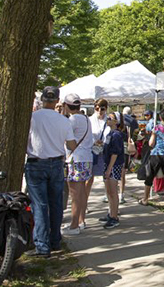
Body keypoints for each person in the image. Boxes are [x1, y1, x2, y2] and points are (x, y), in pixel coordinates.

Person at [25, 86, 77, 257]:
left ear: (42, 100)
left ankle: (42, 244)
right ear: (57, 101)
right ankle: (55, 240)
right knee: (56, 204)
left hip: (36, 162)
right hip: (56, 163)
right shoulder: (63, 120)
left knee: (39, 205)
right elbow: (71, 145)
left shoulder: (32, 118)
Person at [62, 94, 94, 235]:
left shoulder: (72, 119)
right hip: (86, 158)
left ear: (67, 106)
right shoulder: (86, 119)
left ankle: (74, 225)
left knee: (75, 194)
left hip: (75, 158)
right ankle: (81, 221)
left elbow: (66, 138)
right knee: (81, 192)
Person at [99, 112, 125, 229]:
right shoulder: (110, 133)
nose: (107, 119)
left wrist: (109, 168)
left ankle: (114, 216)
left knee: (113, 192)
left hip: (113, 166)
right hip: (108, 164)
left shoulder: (117, 135)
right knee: (109, 192)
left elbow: (115, 153)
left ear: (116, 121)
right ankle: (111, 213)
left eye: (111, 118)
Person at [87, 99, 108, 205]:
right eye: (97, 108)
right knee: (89, 178)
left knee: (107, 178)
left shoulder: (108, 120)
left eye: (102, 108)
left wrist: (104, 142)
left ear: (106, 109)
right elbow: (87, 135)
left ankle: (111, 205)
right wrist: (94, 141)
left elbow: (111, 134)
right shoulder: (89, 120)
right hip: (92, 151)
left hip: (105, 151)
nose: (99, 110)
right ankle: (84, 204)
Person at [119, 107, 138, 204]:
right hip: (126, 146)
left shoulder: (119, 118)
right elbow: (137, 135)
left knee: (112, 173)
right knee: (123, 173)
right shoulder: (133, 121)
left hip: (117, 146)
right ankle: (121, 195)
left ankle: (108, 194)